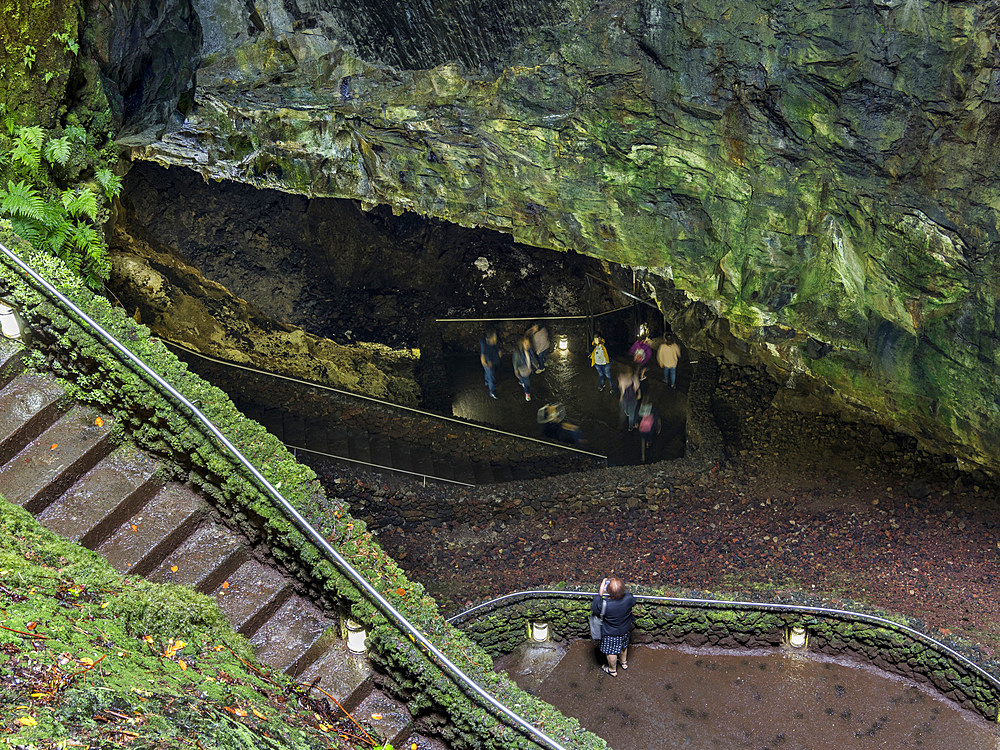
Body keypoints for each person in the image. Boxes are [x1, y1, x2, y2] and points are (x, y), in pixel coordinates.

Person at [593, 576, 635, 677]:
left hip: (610, 633)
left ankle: (612, 669)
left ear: (608, 591)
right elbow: (632, 602)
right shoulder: (629, 598)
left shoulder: (604, 604)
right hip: (625, 629)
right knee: (623, 646)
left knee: (611, 651)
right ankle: (623, 662)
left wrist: (601, 590)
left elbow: (595, 607)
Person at [480, 329, 501, 399]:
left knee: (488, 374)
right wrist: (486, 362)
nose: (496, 337)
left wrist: (498, 351)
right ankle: (492, 392)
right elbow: (483, 355)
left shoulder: (493, 342)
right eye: (494, 336)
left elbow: (496, 347)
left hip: (494, 361)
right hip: (488, 364)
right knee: (491, 376)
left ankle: (487, 382)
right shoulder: (485, 345)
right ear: (491, 337)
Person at [512, 336, 534, 401]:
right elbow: (515, 361)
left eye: (528, 343)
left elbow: (532, 357)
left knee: (523, 379)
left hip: (528, 369)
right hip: (522, 370)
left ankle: (521, 381)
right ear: (521, 344)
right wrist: (515, 370)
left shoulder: (529, 350)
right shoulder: (517, 353)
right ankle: (527, 393)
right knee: (527, 383)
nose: (527, 345)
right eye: (525, 343)